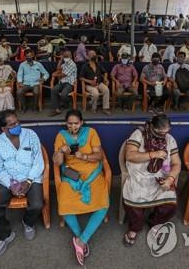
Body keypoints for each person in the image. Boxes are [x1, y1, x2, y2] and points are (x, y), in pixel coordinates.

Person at [53, 110, 109, 265]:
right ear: (66, 124)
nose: (73, 126)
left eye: (76, 123)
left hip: (92, 173)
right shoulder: (61, 136)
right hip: (71, 175)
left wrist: (84, 156)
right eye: (70, 123)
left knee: (103, 205)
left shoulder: (91, 132)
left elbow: (99, 156)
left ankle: (81, 240)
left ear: (82, 122)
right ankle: (81, 239)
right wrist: (60, 150)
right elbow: (57, 162)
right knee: (64, 204)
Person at [0, 110, 44, 258]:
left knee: (37, 204)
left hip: (31, 177)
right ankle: (4, 235)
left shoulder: (30, 135)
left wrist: (28, 181)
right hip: (10, 179)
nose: (17, 125)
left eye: (17, 122)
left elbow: (39, 160)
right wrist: (11, 184)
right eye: (12, 124)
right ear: (3, 128)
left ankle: (28, 222)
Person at [122, 114, 181, 246]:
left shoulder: (169, 139)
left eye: (167, 132)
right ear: (153, 127)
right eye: (161, 132)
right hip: (139, 174)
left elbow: (177, 163)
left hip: (160, 175)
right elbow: (129, 155)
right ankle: (135, 228)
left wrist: (170, 179)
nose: (164, 135)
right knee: (132, 202)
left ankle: (155, 223)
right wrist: (154, 154)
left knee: (171, 202)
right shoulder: (139, 134)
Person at [50, 50, 77, 116]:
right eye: (64, 56)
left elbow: (63, 74)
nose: (65, 58)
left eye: (66, 56)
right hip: (62, 82)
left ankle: (66, 104)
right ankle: (57, 109)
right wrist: (61, 59)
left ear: (70, 56)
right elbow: (58, 68)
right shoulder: (64, 64)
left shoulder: (72, 64)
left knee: (63, 94)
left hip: (69, 83)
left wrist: (54, 75)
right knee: (53, 90)